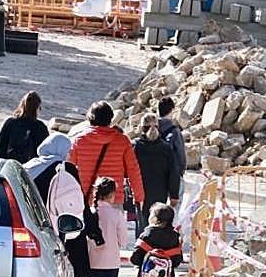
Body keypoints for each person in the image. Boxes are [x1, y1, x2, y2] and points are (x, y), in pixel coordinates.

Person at [25, 132, 87, 277]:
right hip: (59, 231)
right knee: (63, 275)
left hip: (31, 228)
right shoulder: (65, 169)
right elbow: (76, 202)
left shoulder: (28, 168)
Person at [69, 101, 145, 231]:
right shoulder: (122, 141)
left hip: (87, 199)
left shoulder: (79, 140)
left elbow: (69, 169)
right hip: (114, 199)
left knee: (88, 240)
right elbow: (133, 170)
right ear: (110, 119)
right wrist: (139, 197)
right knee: (113, 241)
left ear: (90, 118)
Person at [132, 113, 181, 236]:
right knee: (158, 222)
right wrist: (174, 194)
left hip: (140, 192)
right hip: (160, 192)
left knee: (142, 223)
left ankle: (142, 249)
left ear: (142, 128)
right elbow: (173, 172)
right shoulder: (165, 148)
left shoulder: (135, 147)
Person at [0, 91, 49, 164]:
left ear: (22, 105)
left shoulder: (11, 123)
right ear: (38, 107)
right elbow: (45, 152)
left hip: (10, 164)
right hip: (31, 167)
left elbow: (0, 147)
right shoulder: (41, 127)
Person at [156, 97, 187, 198]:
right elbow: (181, 155)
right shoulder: (175, 131)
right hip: (172, 175)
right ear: (172, 110)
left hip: (155, 175)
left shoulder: (152, 129)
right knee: (175, 209)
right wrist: (180, 173)